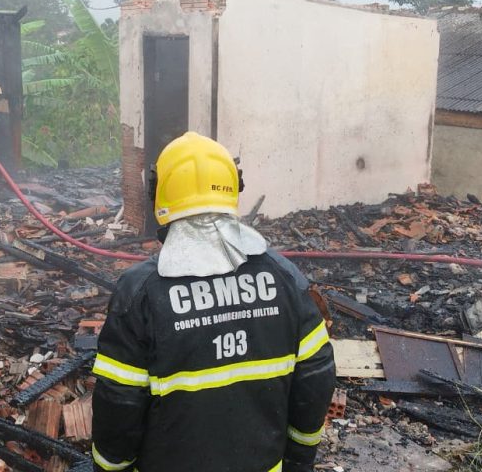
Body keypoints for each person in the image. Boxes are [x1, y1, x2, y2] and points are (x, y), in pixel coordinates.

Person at [91, 131, 335, 472]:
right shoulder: (285, 278)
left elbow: (119, 403)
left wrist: (110, 469)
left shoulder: (141, 293)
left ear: (158, 193)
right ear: (234, 187)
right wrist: (299, 458)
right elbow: (317, 378)